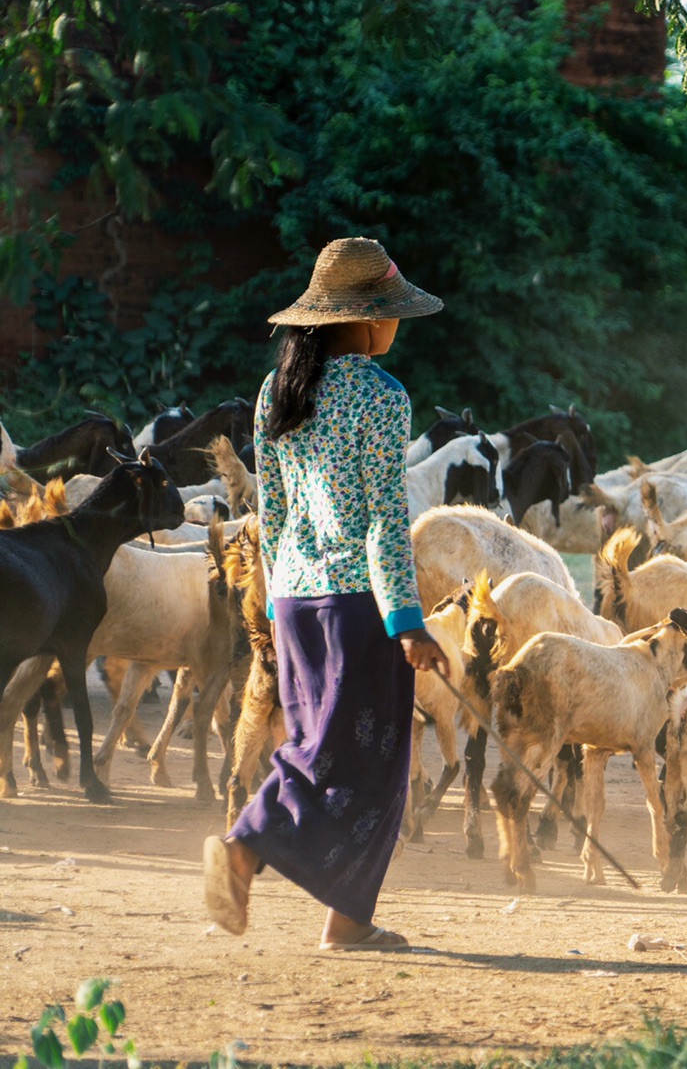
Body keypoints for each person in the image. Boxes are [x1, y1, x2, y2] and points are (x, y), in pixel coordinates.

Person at [204, 237, 451, 951]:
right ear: (370, 319)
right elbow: (382, 520)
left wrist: (278, 608)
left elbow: (271, 513)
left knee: (327, 747)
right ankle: (246, 849)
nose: (399, 326)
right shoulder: (381, 396)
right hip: (359, 605)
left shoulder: (276, 390)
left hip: (298, 602)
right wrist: (407, 620)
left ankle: (348, 921)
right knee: (364, 765)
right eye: (396, 313)